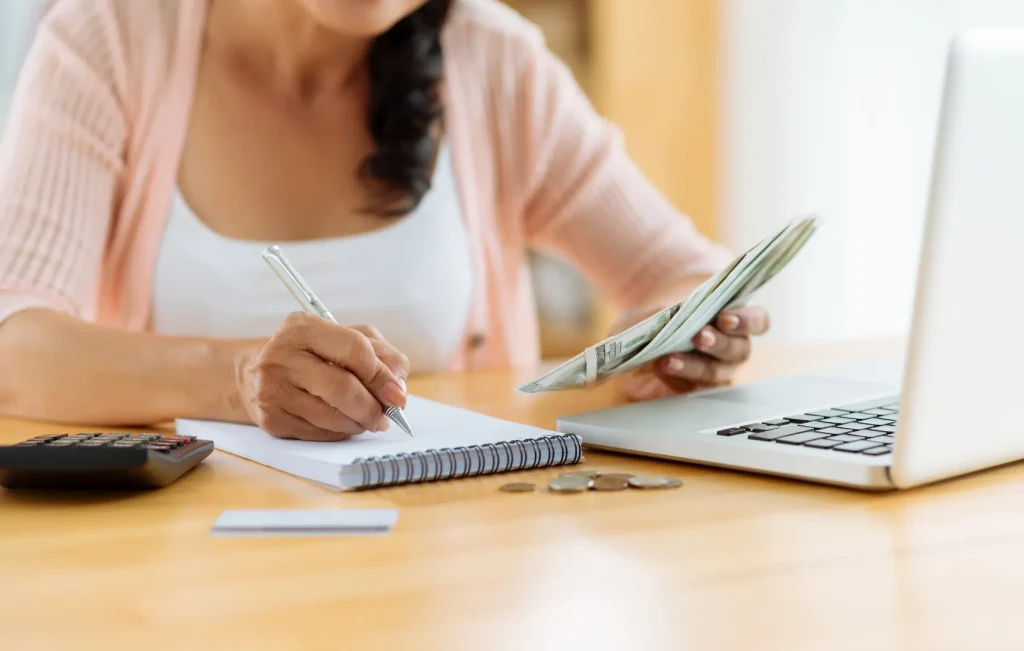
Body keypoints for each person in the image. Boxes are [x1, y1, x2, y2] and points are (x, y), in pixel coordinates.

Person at [0, 0, 770, 441]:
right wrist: (237, 379)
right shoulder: (109, 41)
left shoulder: (493, 60)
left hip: (445, 563)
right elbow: (15, 341)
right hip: (165, 573)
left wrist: (680, 338)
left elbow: (684, 270)